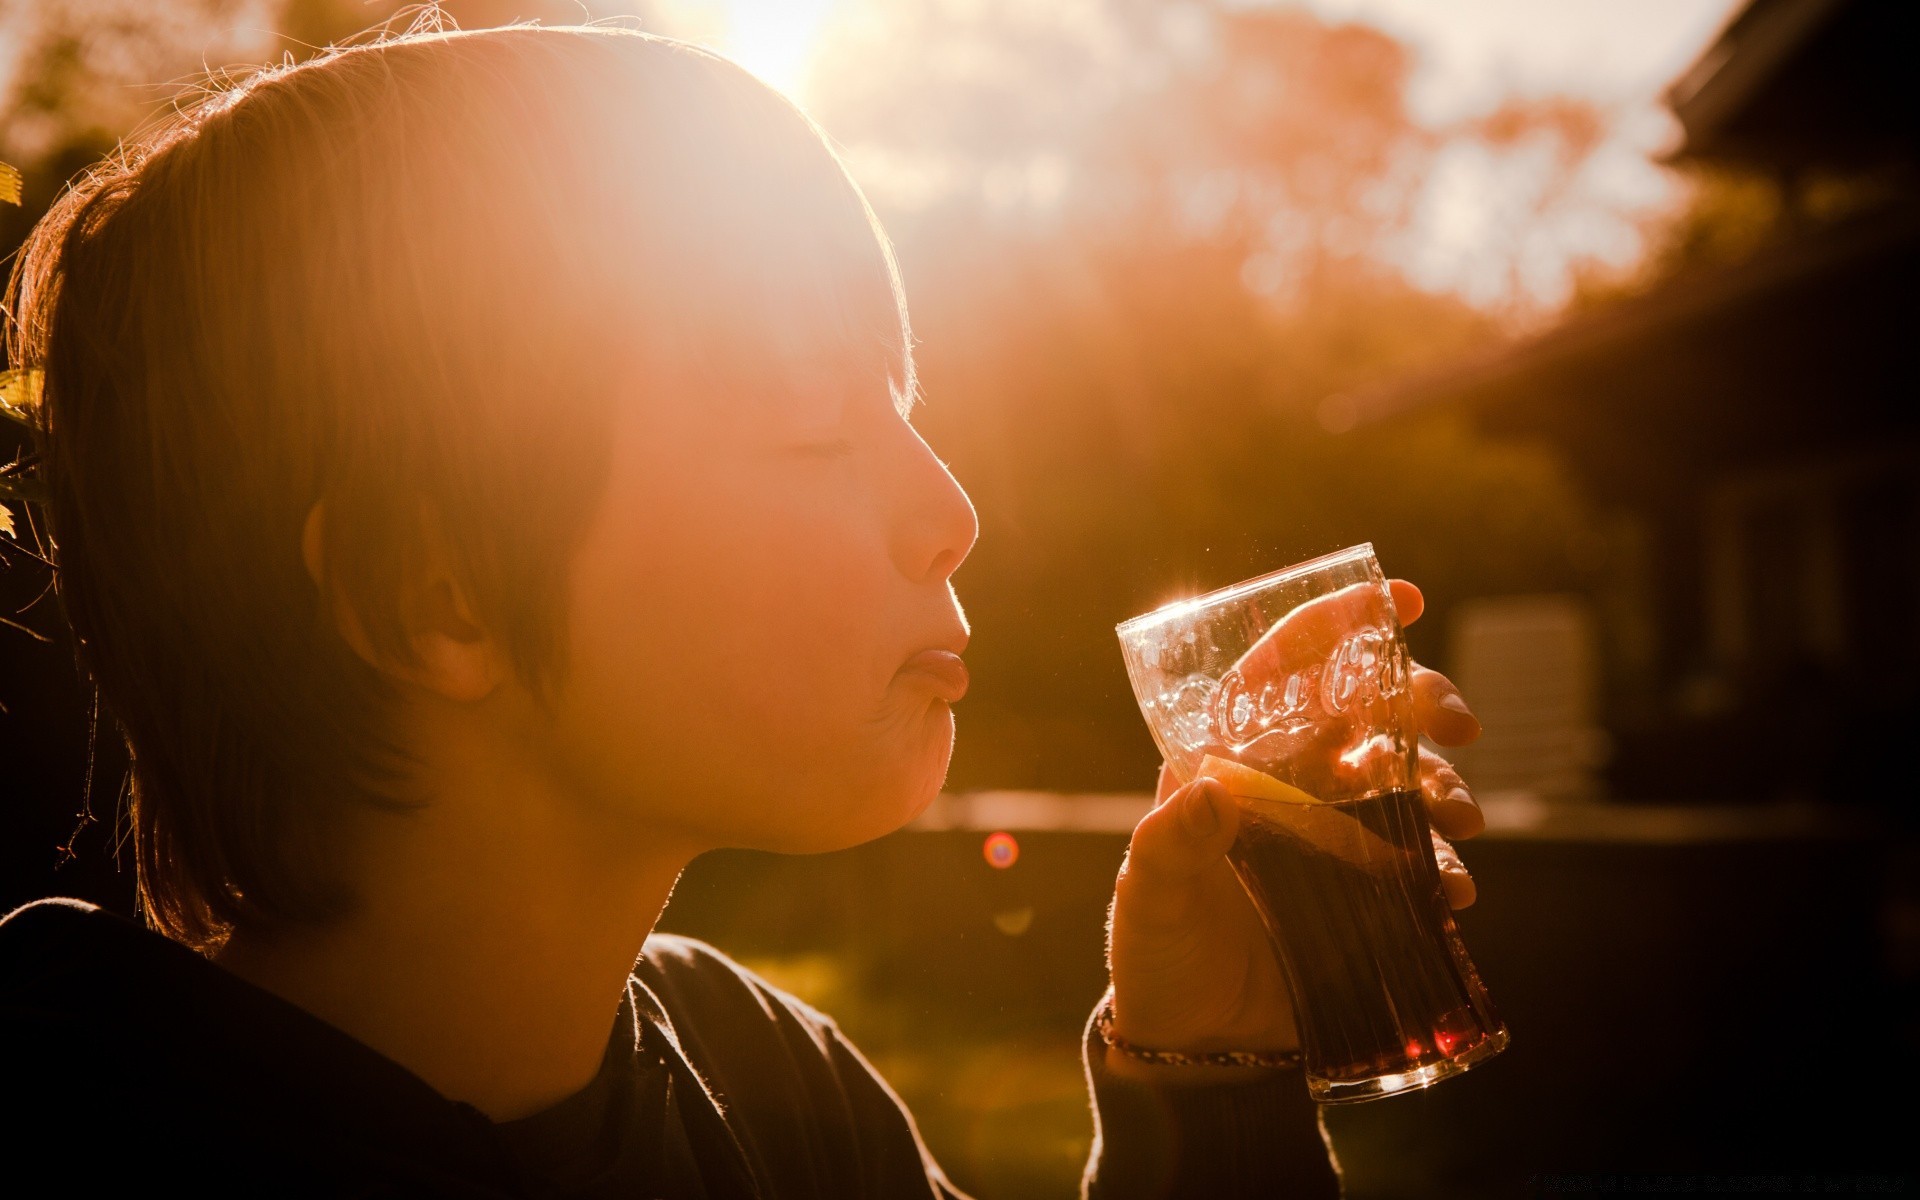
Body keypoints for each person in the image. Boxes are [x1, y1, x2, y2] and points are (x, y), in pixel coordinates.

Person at [0, 23, 1488, 1198]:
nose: (951, 512)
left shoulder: (768, 1085)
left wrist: (1208, 1067)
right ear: (430, 594)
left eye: (905, 403)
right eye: (808, 419)